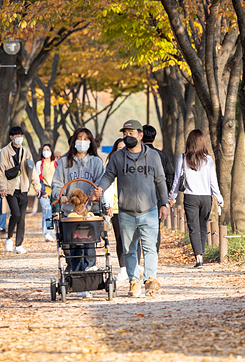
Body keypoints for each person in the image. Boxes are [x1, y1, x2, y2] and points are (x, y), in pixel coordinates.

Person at [95, 119, 168, 298]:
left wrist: (164, 203)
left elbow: (160, 180)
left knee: (150, 247)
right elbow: (108, 176)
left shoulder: (153, 156)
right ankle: (134, 281)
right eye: (125, 134)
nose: (128, 137)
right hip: (126, 212)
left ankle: (150, 279)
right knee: (129, 249)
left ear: (140, 135)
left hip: (149, 209)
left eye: (131, 134)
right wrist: (99, 188)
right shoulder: (118, 157)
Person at [51, 129, 105, 284]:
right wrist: (60, 196)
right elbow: (56, 185)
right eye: (79, 138)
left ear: (91, 142)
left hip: (89, 212)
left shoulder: (96, 162)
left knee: (89, 241)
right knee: (73, 245)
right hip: (70, 213)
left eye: (86, 139)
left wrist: (98, 195)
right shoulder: (64, 162)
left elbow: (101, 184)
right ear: (74, 141)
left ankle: (90, 271)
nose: (82, 141)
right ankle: (76, 276)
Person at [169, 129, 224, 268]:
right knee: (202, 226)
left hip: (190, 197)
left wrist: (172, 197)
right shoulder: (208, 159)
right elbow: (213, 181)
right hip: (206, 197)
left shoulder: (183, 158)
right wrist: (219, 197)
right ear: (202, 142)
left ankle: (198, 258)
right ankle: (202, 255)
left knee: (193, 228)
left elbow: (177, 180)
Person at [0, 126, 35, 254]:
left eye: (21, 136)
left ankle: (19, 245)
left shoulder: (26, 152)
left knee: (22, 217)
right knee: (16, 214)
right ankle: (9, 238)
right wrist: (2, 187)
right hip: (10, 189)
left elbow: (32, 170)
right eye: (17, 136)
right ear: (11, 137)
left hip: (23, 188)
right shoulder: (4, 152)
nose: (19, 138)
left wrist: (37, 186)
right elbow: (0, 172)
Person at [142, 124, 172, 254]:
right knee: (155, 227)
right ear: (154, 137)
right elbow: (170, 176)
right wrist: (166, 194)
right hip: (158, 196)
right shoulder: (162, 156)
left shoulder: (137, 154)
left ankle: (139, 255)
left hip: (140, 195)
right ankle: (154, 253)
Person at [102, 138, 129, 281]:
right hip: (117, 208)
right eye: (119, 147)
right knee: (120, 239)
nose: (122, 150)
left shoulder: (132, 163)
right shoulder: (111, 165)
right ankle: (123, 268)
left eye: (124, 147)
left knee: (133, 238)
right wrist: (108, 205)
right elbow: (107, 187)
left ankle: (134, 266)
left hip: (131, 207)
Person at [34, 144, 57, 241]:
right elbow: (38, 179)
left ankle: (48, 231)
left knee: (52, 212)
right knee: (47, 209)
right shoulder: (39, 164)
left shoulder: (56, 163)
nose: (46, 151)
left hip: (55, 190)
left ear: (51, 151)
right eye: (44, 150)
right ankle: (49, 233)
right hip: (43, 189)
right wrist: (43, 191)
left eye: (47, 149)